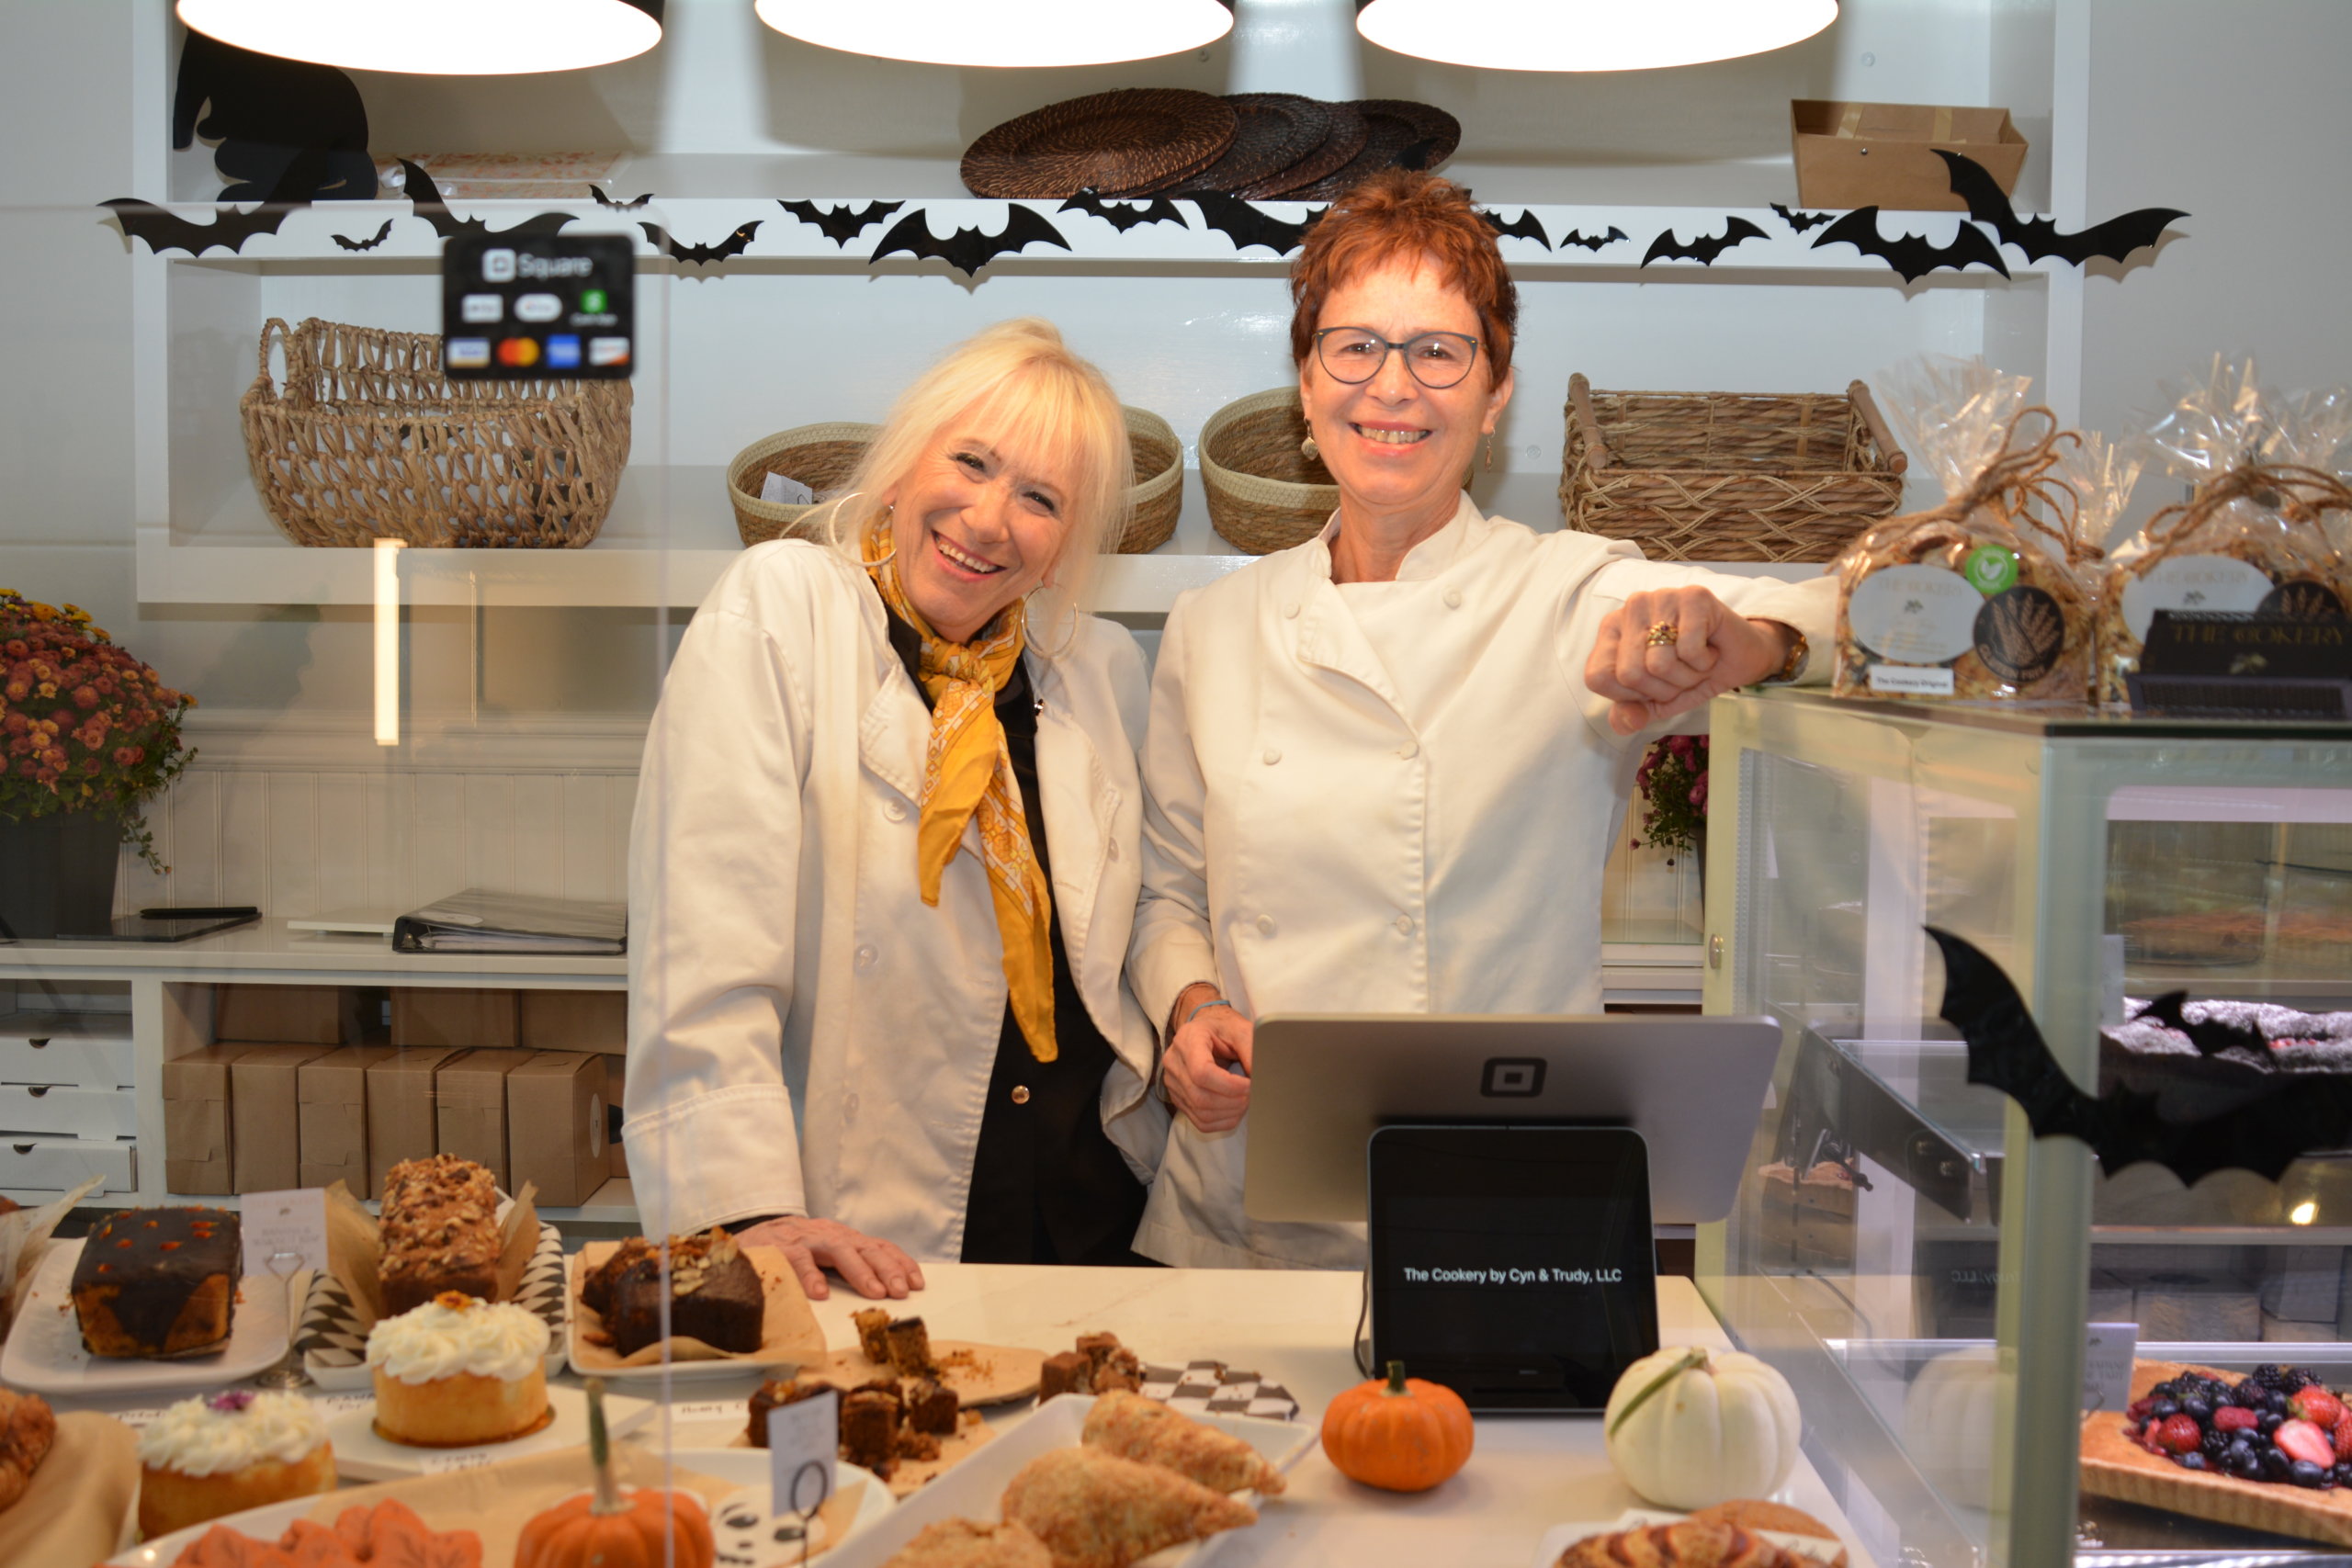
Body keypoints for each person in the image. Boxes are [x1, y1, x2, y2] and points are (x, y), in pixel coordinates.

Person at [1127, 171, 1835, 1269]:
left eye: (1439, 351)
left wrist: (1742, 642)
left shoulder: (1564, 590)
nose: (1392, 387)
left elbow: (1828, 611)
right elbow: (1167, 886)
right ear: (1306, 385)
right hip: (1249, 1198)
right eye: (1354, 346)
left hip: (1498, 1192)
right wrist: (1190, 1009)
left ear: (1495, 390)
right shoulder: (1213, 626)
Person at [625, 319, 1167, 1299]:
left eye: (1040, 498)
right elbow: (700, 941)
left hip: (1089, 1226)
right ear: (904, 464)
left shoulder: (1099, 670)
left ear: (1062, 551)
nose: (990, 518)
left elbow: (1128, 941)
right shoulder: (782, 609)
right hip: (861, 1234)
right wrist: (747, 1210)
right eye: (971, 462)